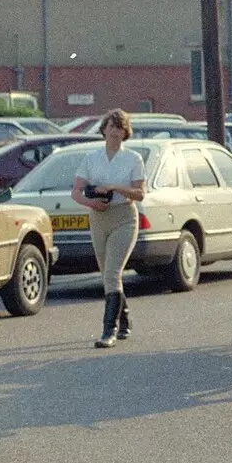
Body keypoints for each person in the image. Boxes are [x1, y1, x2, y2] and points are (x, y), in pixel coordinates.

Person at [72, 108, 144, 348]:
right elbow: (76, 191)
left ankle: (108, 330)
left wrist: (115, 187)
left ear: (125, 133)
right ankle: (124, 320)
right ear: (103, 130)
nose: (114, 132)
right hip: (98, 217)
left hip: (124, 217)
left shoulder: (133, 158)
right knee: (107, 275)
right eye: (111, 127)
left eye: (119, 128)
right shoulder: (92, 158)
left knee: (113, 272)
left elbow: (140, 193)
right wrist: (91, 201)